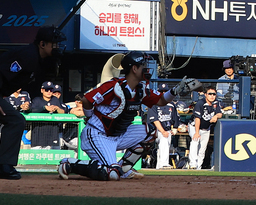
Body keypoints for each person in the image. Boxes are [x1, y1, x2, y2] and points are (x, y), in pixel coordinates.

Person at [58, 53, 200, 181]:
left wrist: (175, 90)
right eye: (142, 65)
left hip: (118, 134)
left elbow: (161, 100)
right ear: (134, 69)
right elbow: (87, 100)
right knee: (111, 174)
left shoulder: (140, 89)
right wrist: (89, 117)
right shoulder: (114, 86)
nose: (146, 68)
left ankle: (124, 168)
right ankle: (70, 163)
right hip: (97, 134)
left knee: (151, 132)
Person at [0, 26, 65, 179]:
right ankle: (2, 166)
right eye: (53, 44)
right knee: (16, 120)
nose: (57, 48)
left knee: (16, 120)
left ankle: (0, 166)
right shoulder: (28, 55)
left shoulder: (37, 58)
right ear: (42, 44)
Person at [188, 87, 222, 169]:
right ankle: (193, 163)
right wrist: (196, 132)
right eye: (210, 94)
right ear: (205, 95)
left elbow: (220, 113)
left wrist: (216, 116)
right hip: (194, 126)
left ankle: (198, 166)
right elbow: (197, 119)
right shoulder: (200, 103)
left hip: (206, 128)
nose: (212, 96)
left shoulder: (216, 103)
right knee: (195, 142)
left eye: (214, 94)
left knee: (202, 148)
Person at [147, 98, 176, 169]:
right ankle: (164, 163)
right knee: (164, 140)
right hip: (154, 130)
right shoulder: (153, 104)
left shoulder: (171, 105)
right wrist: (163, 131)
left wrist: (175, 128)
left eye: (165, 91)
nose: (163, 93)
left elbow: (175, 118)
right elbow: (155, 120)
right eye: (161, 91)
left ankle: (159, 167)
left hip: (167, 130)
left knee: (164, 146)